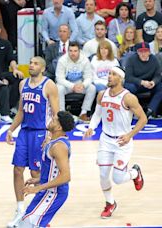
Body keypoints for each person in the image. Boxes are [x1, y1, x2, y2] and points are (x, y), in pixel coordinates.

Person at [83, 66, 147, 218]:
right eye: (109, 74)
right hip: (105, 139)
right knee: (103, 175)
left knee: (118, 179)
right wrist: (91, 127)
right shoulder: (101, 94)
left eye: (113, 74)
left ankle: (134, 173)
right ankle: (110, 203)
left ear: (120, 78)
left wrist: (130, 134)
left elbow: (143, 119)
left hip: (122, 142)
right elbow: (98, 114)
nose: (109, 76)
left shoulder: (128, 97)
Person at [5, 56, 59, 227]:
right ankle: (20, 209)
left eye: (35, 64)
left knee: (36, 174)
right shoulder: (23, 84)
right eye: (30, 63)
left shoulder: (49, 85)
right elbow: (21, 111)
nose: (31, 65)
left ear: (42, 68)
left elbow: (56, 114)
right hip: (24, 132)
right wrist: (11, 129)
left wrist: (51, 135)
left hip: (40, 133)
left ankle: (39, 212)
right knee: (17, 170)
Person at [18, 111, 75, 228]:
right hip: (48, 190)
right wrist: (38, 179)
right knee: (26, 221)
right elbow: (52, 169)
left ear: (59, 127)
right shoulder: (52, 142)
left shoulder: (58, 147)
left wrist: (38, 187)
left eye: (54, 120)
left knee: (27, 223)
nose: (50, 120)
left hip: (54, 193)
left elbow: (66, 176)